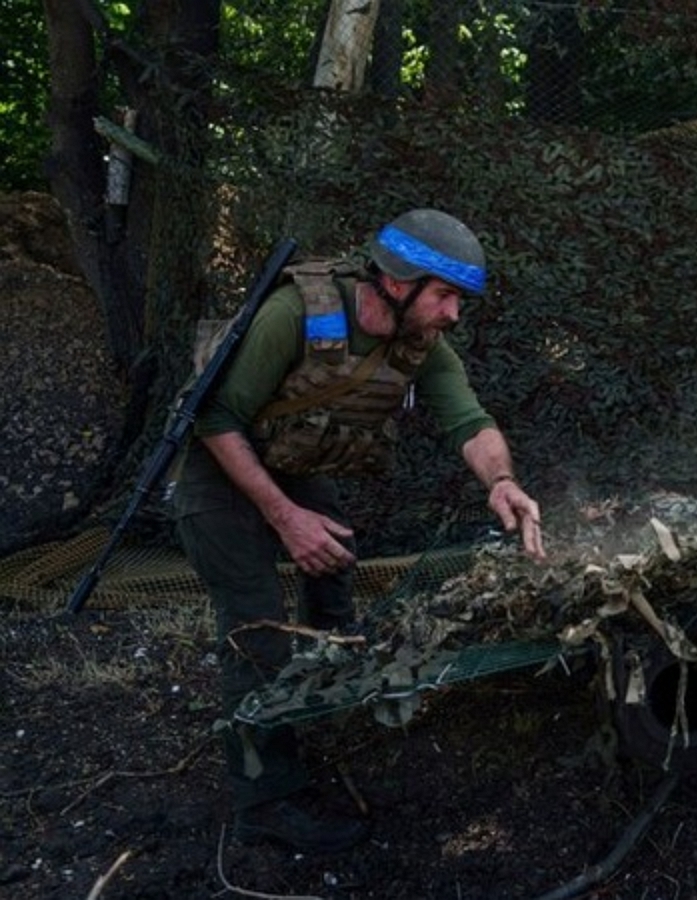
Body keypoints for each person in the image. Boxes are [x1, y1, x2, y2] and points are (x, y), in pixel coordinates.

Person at [173, 209, 546, 853]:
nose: (454, 313)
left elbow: (470, 421)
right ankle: (265, 799)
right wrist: (285, 518)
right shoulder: (294, 316)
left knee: (337, 572)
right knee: (255, 627)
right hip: (219, 470)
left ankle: (319, 712)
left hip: (291, 464)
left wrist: (501, 482)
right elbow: (215, 418)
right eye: (446, 295)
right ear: (398, 283)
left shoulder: (419, 342)